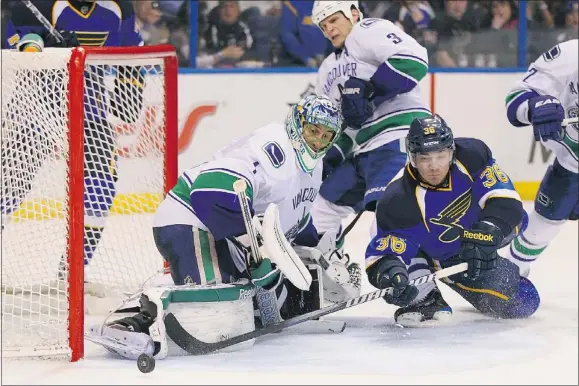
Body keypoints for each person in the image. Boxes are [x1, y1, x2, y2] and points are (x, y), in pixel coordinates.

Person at [86, 95, 362, 360]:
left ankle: (170, 298)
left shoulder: (312, 167)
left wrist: (324, 248)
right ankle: (136, 320)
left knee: (254, 303)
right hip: (192, 220)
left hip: (225, 232)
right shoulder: (272, 147)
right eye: (313, 130)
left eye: (326, 136)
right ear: (296, 123)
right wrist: (254, 250)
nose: (318, 141)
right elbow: (210, 193)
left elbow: (296, 219)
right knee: (221, 305)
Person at [1, 0, 143, 288]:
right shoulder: (35, 5)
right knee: (8, 190)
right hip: (34, 112)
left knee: (101, 191)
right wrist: (51, 50)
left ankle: (73, 271)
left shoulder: (118, 8)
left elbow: (133, 50)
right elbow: (20, 46)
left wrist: (129, 93)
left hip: (89, 113)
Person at [365, 114, 540, 327]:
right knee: (404, 286)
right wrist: (389, 273)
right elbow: (382, 254)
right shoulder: (397, 199)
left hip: (473, 233)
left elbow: (506, 201)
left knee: (524, 300)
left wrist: (490, 228)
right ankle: (426, 293)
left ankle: (486, 251)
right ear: (412, 157)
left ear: (452, 151)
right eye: (424, 158)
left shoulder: (473, 155)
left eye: (440, 155)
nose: (434, 166)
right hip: (441, 253)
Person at [308, 1, 431, 280]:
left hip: (395, 138)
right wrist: (326, 159)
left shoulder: (367, 30)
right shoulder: (327, 69)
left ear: (353, 13)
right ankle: (325, 277)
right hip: (362, 151)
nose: (329, 28)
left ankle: (423, 292)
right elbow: (337, 126)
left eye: (333, 20)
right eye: (323, 25)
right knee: (320, 208)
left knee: (390, 213)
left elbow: (414, 61)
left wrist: (371, 90)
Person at [502, 39, 578, 277]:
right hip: (571, 165)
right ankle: (511, 271)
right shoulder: (570, 54)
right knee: (546, 222)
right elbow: (517, 99)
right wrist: (534, 106)